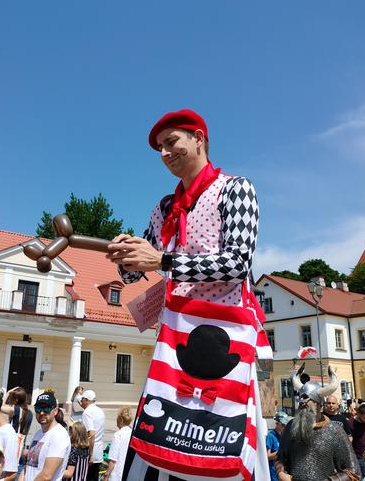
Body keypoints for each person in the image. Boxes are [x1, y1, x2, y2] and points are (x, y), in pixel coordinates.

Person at [106, 109, 261, 481]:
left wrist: (162, 259)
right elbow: (137, 270)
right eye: (160, 147)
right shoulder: (164, 206)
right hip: (174, 335)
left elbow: (238, 262)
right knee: (162, 436)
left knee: (219, 434)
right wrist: (124, 257)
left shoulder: (236, 189)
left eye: (171, 142)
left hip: (224, 334)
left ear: (198, 138)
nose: (164, 152)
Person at [275, 367, 360, 481]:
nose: (302, 405)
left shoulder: (334, 430)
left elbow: (353, 471)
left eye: (307, 401)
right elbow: (281, 457)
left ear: (319, 405)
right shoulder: (292, 426)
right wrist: (280, 472)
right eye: (301, 400)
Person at [24, 391, 70, 481]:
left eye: (46, 409)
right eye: (38, 409)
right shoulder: (38, 433)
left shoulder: (59, 435)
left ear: (55, 411)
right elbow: (28, 466)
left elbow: (46, 476)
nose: (41, 413)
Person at [76, 391, 104, 481]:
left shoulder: (87, 413)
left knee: (86, 477)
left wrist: (91, 455)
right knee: (95, 477)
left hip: (90, 452)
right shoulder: (100, 411)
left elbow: (91, 434)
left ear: (87, 400)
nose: (81, 402)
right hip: (99, 451)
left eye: (82, 400)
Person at [103, 408, 133, 481]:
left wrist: (106, 476)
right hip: (129, 473)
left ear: (121, 420)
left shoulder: (118, 435)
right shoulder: (132, 433)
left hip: (117, 474)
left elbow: (113, 460)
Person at [266, 411, 291, 481]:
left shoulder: (283, 436)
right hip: (273, 473)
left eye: (285, 425)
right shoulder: (271, 436)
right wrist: (279, 453)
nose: (284, 427)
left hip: (281, 473)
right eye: (283, 425)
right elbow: (266, 457)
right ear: (277, 423)